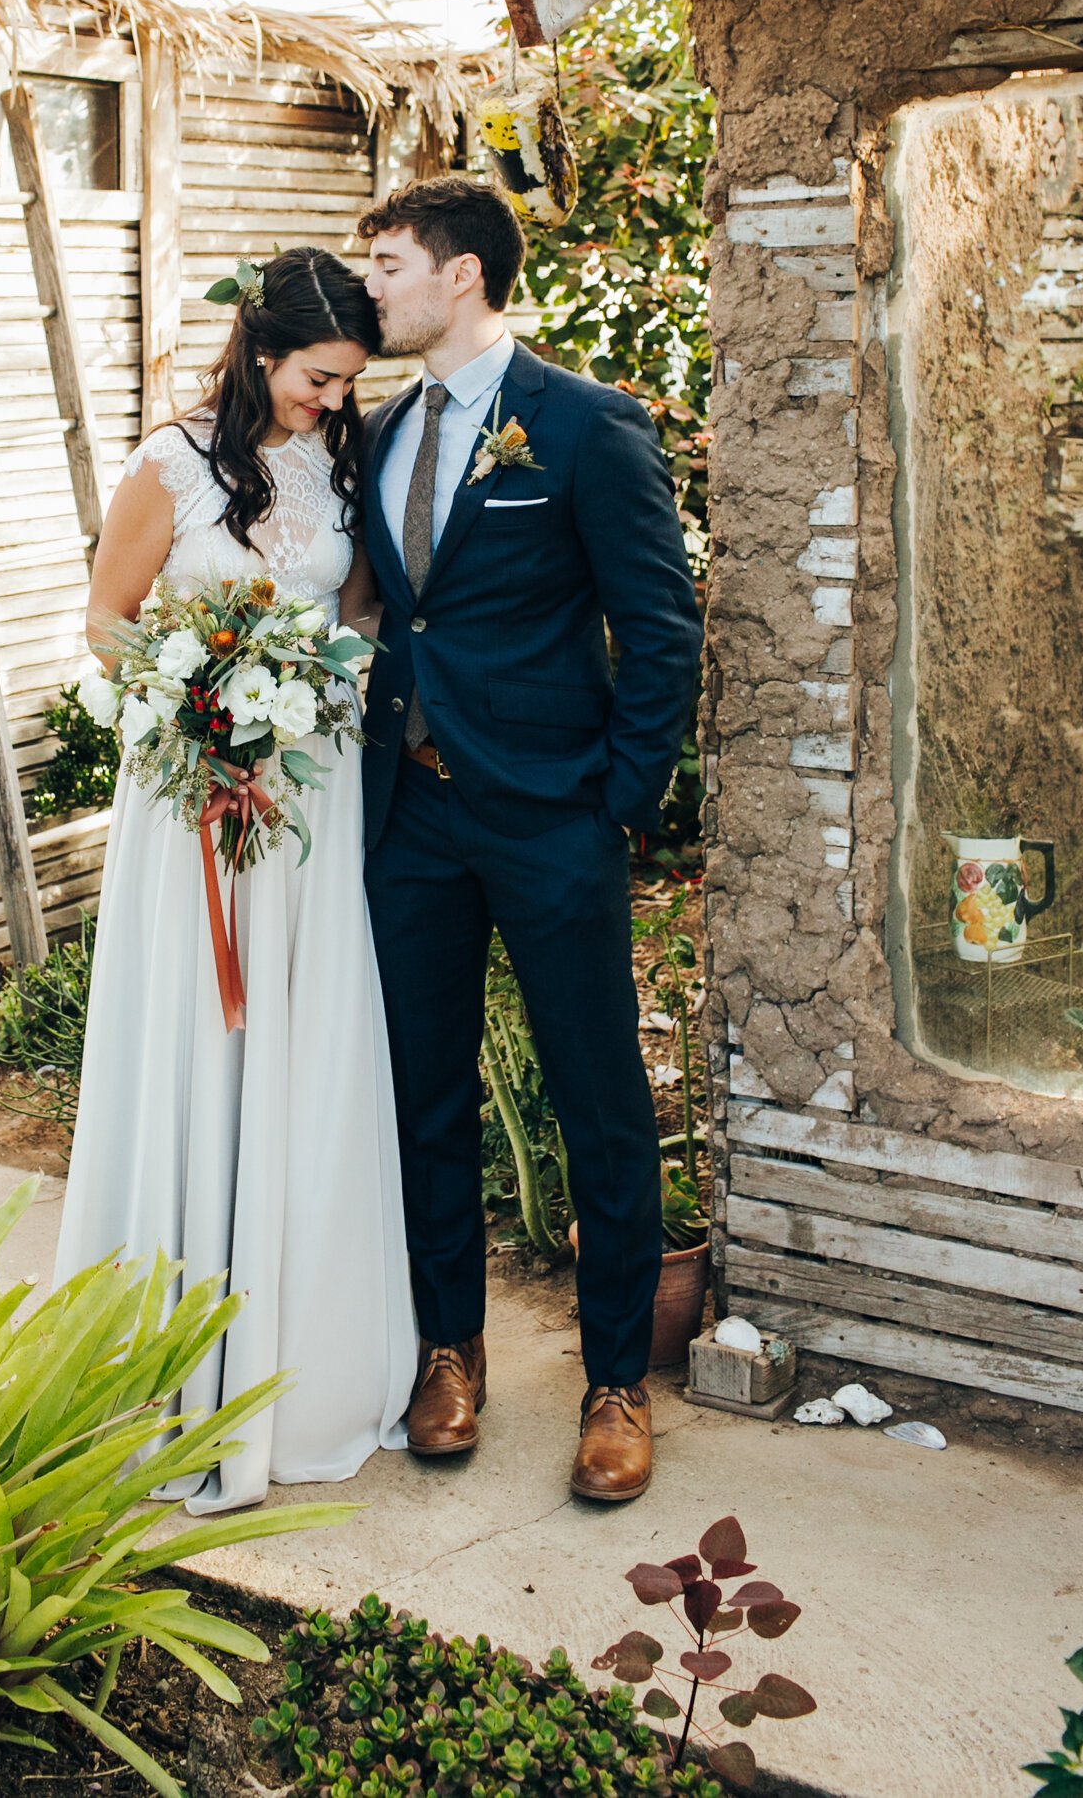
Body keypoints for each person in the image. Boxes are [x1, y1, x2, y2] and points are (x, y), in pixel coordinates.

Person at [53, 244, 418, 1513]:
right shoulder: (169, 462)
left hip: (307, 794)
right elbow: (107, 616)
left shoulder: (348, 462)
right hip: (194, 795)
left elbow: (363, 616)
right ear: (263, 355)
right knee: (195, 1050)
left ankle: (291, 1359)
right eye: (320, 376)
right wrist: (198, 705)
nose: (332, 398)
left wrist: (310, 690)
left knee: (300, 1051)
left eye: (346, 382)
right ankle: (162, 1359)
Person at [356, 175, 702, 1504]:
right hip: (415, 822)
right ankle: (450, 1352)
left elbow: (658, 626)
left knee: (597, 1099)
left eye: (386, 262)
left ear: (458, 277)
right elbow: (401, 620)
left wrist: (612, 797)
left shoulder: (583, 426)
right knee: (424, 1091)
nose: (369, 283)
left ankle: (614, 1381)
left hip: (554, 816)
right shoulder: (380, 434)